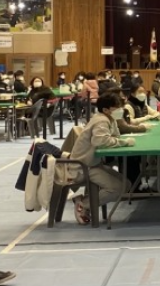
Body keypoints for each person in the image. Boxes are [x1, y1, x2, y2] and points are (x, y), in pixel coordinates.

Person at [69, 92, 134, 224]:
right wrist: (124, 143)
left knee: (126, 184)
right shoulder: (101, 120)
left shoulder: (109, 118)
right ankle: (83, 204)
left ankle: (83, 200)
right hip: (83, 167)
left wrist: (118, 137)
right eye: (116, 107)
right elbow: (100, 141)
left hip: (94, 163)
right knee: (117, 188)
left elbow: (115, 136)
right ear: (105, 110)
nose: (120, 109)